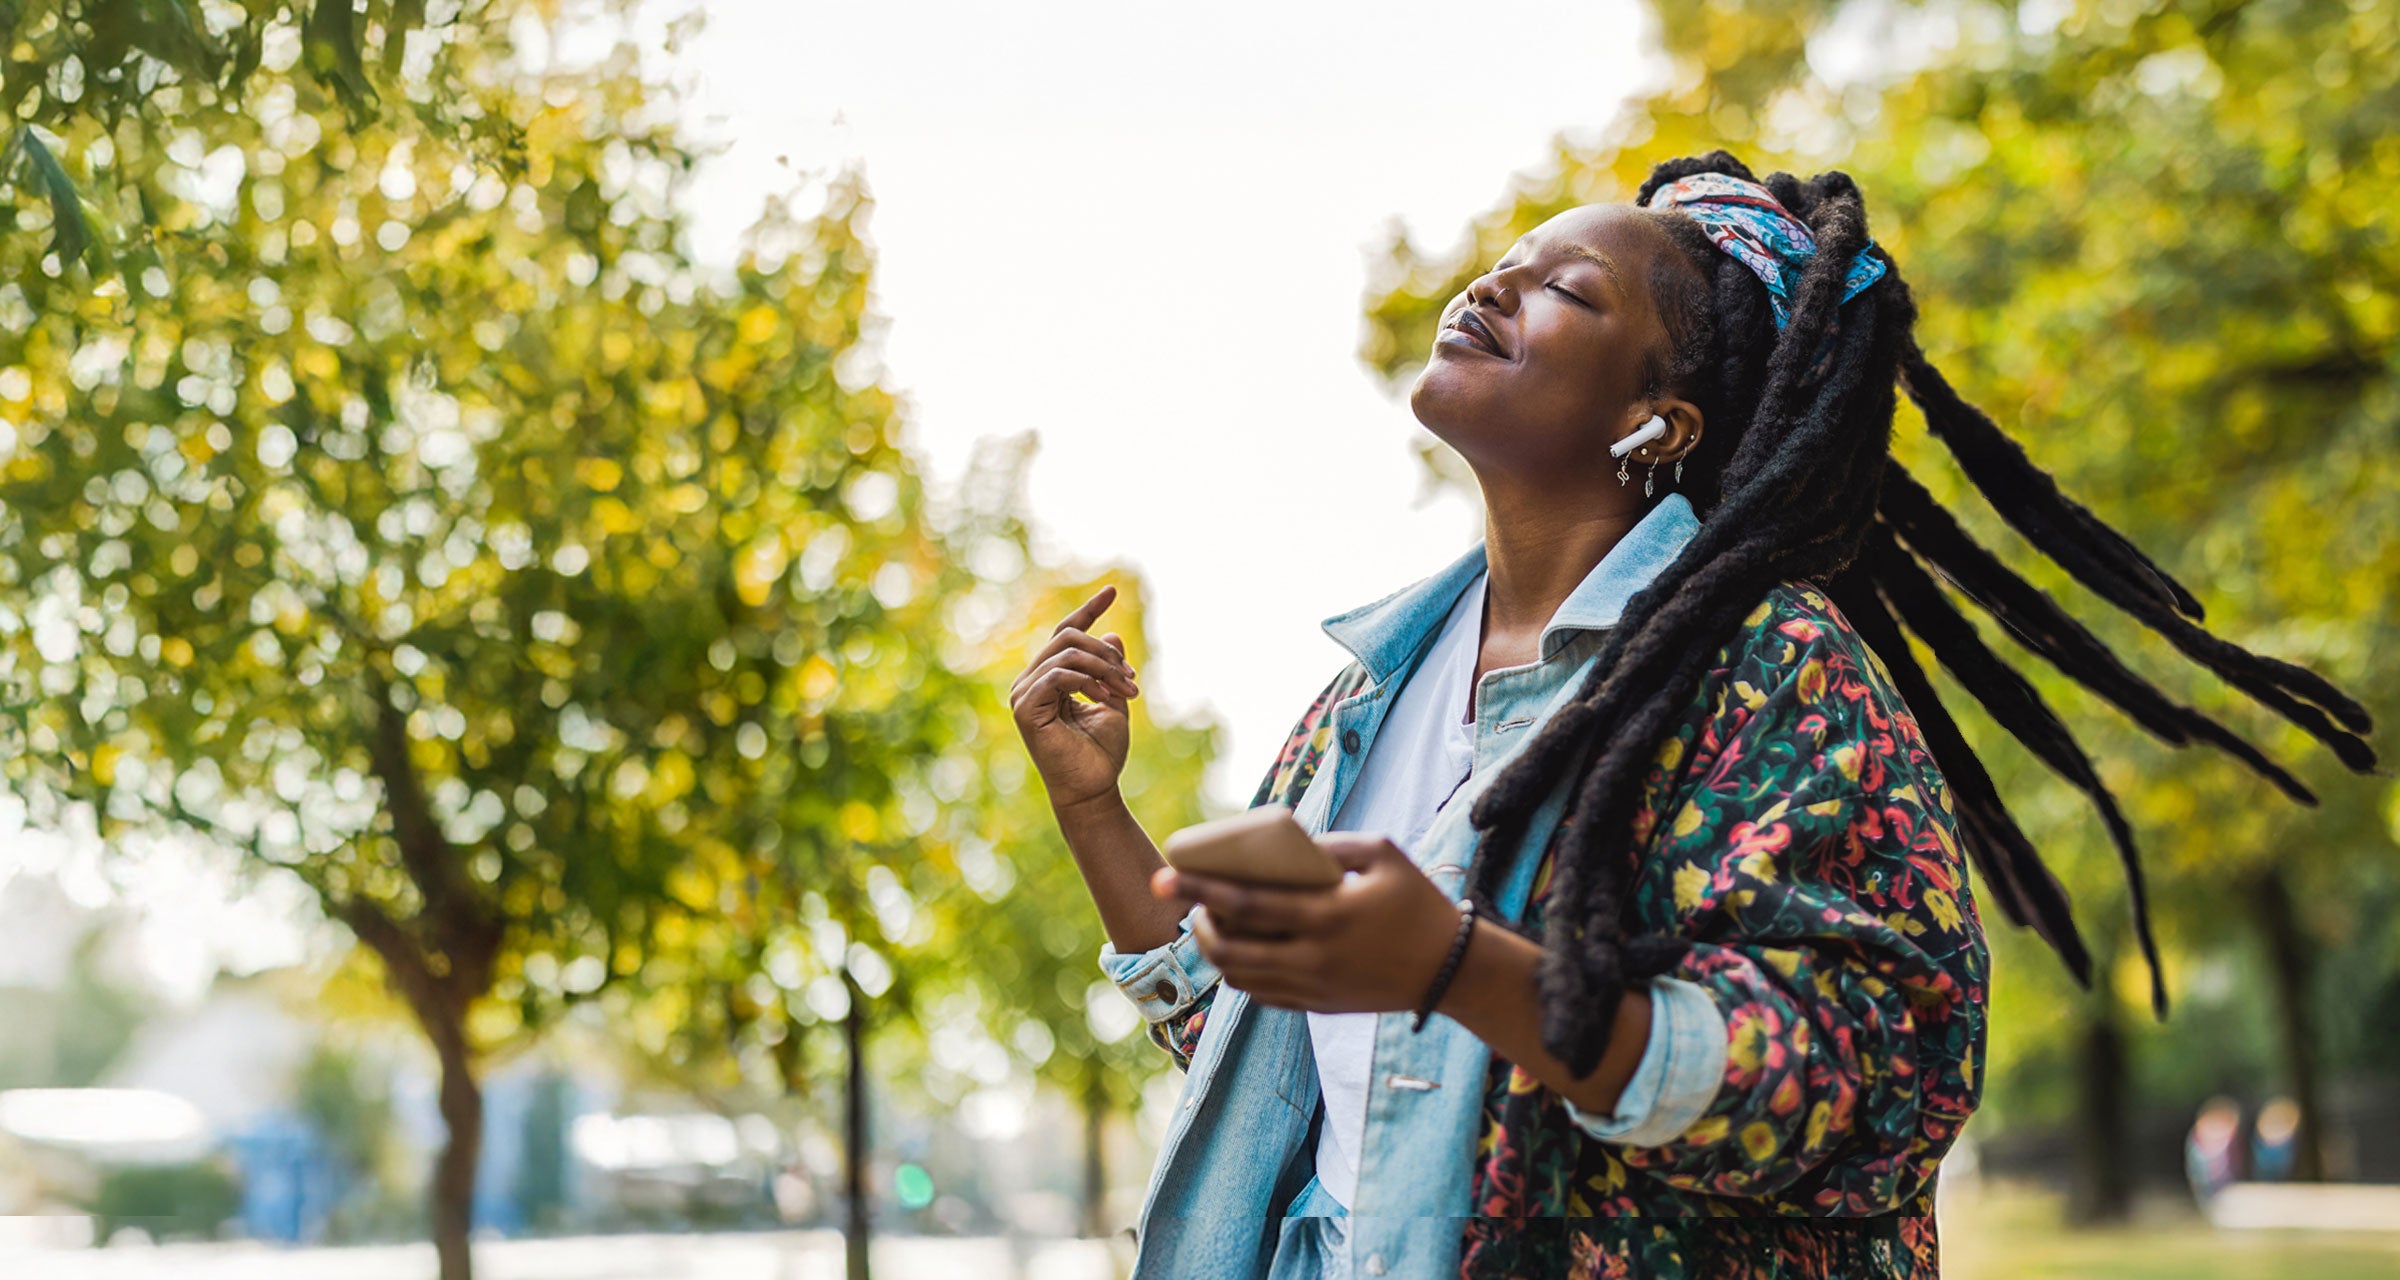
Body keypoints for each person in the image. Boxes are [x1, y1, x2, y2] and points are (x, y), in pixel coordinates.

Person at [1007, 152, 2377, 1280]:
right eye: (1509, 259)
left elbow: (1868, 1083)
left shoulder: (1776, 674)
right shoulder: (1369, 694)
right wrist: (1093, 811)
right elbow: (1254, 1041)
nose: (1496, 283)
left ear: (1657, 420)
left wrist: (1460, 969)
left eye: (1568, 291)